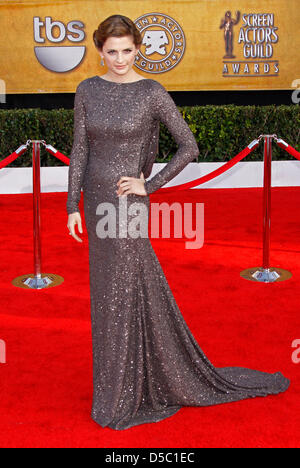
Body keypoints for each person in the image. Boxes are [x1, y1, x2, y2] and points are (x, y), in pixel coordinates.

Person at [66, 14, 290, 431]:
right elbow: (80, 149)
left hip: (127, 204)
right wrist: (71, 206)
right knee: (109, 295)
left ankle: (124, 392)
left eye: (127, 51)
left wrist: (149, 185)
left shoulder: (151, 92)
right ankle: (122, 384)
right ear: (100, 51)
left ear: (137, 49)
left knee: (123, 289)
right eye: (111, 52)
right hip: (95, 204)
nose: (119, 58)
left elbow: (189, 146)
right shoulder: (87, 90)